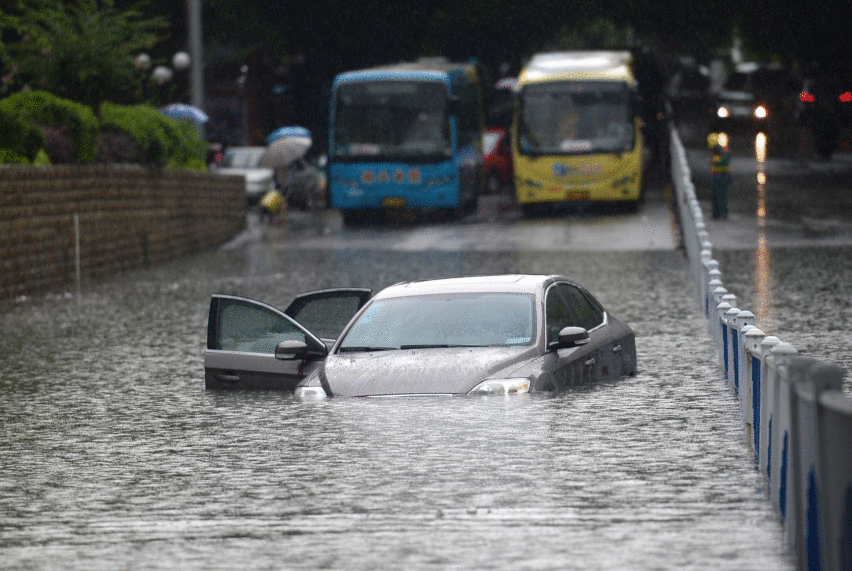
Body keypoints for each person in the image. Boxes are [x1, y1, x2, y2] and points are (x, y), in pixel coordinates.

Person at [708, 133, 730, 219]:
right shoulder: (718, 153)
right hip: (717, 177)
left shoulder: (722, 153)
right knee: (716, 197)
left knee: (721, 197)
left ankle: (722, 214)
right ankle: (717, 214)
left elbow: (725, 162)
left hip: (721, 177)